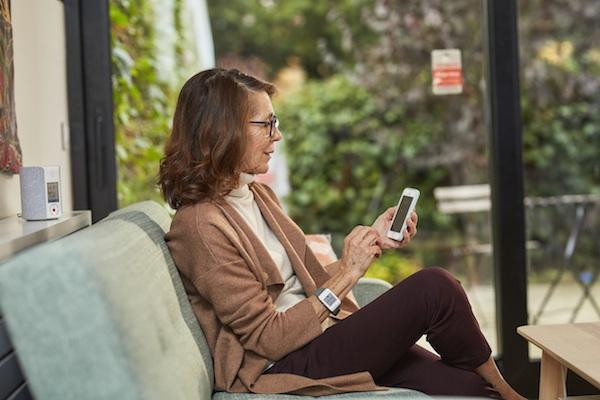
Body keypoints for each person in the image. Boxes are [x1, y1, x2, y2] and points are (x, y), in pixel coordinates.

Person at [159, 68, 526, 399]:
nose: (278, 135)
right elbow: (269, 339)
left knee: (471, 391)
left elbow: (311, 285)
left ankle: (500, 390)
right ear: (222, 132)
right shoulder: (200, 226)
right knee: (435, 287)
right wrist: (350, 271)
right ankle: (511, 392)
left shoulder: (256, 194)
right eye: (266, 124)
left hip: (325, 336)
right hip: (281, 363)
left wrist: (373, 242)